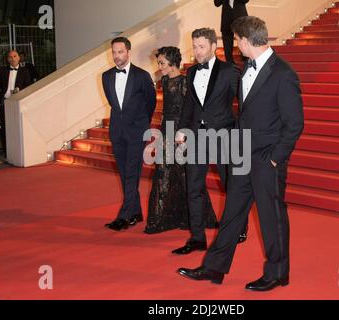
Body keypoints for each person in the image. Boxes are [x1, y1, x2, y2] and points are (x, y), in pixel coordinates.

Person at [177, 16, 304, 291]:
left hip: (266, 159)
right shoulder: (246, 68)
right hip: (242, 155)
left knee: (271, 217)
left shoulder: (283, 73)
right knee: (232, 213)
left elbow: (295, 124)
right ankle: (214, 268)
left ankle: (277, 272)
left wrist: (275, 157)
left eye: (236, 40)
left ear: (246, 41)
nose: (235, 44)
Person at [172, 28, 246, 255]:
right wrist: (181, 130)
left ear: (214, 46)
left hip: (223, 134)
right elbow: (190, 105)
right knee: (193, 187)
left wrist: (241, 133)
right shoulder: (192, 72)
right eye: (194, 46)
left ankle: (239, 228)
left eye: (201, 46)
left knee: (231, 185)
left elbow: (244, 104)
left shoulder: (229, 71)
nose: (197, 51)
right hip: (196, 136)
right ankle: (197, 238)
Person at [145, 46, 218, 234]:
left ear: (172, 63)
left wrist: (186, 135)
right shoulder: (165, 80)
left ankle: (196, 217)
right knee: (162, 173)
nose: (159, 66)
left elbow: (192, 111)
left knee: (186, 176)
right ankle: (160, 220)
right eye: (159, 62)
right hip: (166, 131)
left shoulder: (185, 82)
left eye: (162, 63)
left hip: (181, 132)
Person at [102, 37, 157, 231]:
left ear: (128, 53)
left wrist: (142, 123)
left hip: (136, 132)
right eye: (114, 52)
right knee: (125, 173)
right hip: (117, 132)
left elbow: (151, 102)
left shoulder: (142, 75)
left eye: (120, 52)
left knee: (132, 174)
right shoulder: (106, 76)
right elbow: (114, 104)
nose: (117, 56)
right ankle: (136, 212)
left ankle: (124, 216)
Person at [0, 50, 33, 157]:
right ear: (7, 59)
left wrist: (20, 89)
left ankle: (18, 151)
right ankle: (7, 152)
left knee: (18, 127)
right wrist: (0, 89)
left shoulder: (25, 71)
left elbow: (29, 85)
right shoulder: (2, 70)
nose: (12, 59)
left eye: (14, 56)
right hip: (4, 102)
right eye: (10, 57)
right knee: (5, 127)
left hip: (18, 103)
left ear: (19, 58)